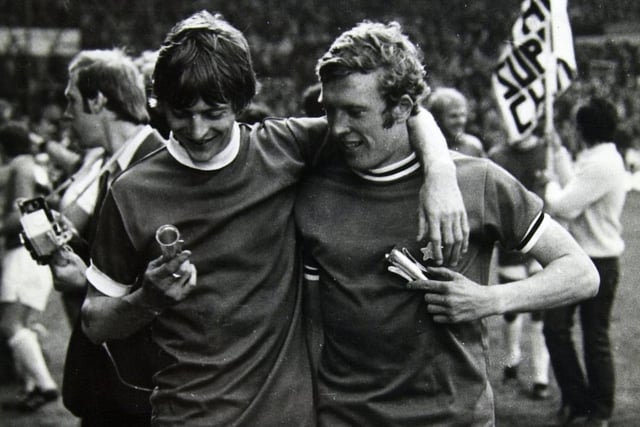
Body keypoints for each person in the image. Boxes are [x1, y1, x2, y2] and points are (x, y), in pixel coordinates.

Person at [80, 11, 468, 427]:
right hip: (188, 416)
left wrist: (441, 174)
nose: (196, 130)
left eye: (214, 112)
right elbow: (94, 321)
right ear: (160, 104)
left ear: (241, 101)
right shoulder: (131, 191)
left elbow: (405, 112)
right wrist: (148, 301)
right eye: (181, 112)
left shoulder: (284, 148)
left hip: (288, 416)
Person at [294, 21, 599, 426]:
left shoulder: (477, 181)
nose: (336, 128)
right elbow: (314, 328)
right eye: (328, 109)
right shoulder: (314, 189)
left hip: (454, 418)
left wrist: (490, 300)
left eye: (354, 112)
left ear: (402, 108)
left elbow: (581, 272)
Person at [49, 48, 165, 426]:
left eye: (72, 101)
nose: (67, 115)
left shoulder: (156, 164)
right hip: (110, 382)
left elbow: (160, 281)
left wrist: (82, 280)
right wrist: (77, 249)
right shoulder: (114, 167)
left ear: (98, 100)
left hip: (136, 387)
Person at [543, 97, 628, 427]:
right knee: (557, 329)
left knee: (593, 337)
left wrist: (547, 182)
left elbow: (565, 205)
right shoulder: (596, 157)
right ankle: (579, 400)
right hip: (580, 257)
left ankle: (598, 409)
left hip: (598, 259)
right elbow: (576, 186)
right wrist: (560, 153)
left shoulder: (602, 162)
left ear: (583, 128)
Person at [0, 122, 58, 412]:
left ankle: (45, 384)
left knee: (10, 324)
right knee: (24, 324)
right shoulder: (35, 166)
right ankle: (32, 387)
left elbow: (22, 212)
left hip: (22, 253)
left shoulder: (20, 167)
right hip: (37, 252)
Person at [488, 132, 551, 399]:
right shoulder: (497, 156)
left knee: (538, 311)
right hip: (510, 240)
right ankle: (512, 361)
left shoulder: (548, 150)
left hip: (542, 239)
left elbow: (563, 186)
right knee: (512, 308)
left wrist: (552, 179)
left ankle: (540, 377)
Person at [426, 86, 486, 157]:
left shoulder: (473, 147)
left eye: (462, 115)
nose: (461, 121)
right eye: (453, 116)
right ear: (438, 118)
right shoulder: (429, 148)